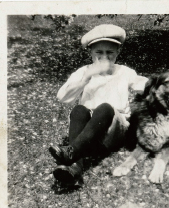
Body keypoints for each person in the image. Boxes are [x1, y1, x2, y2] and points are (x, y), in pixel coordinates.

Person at [49, 24, 148, 185]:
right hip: (89, 135)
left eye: (110, 52)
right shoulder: (84, 72)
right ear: (90, 53)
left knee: (105, 108)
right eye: (98, 53)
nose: (104, 57)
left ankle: (72, 151)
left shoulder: (124, 72)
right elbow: (62, 97)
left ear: (118, 52)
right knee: (79, 109)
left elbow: (145, 85)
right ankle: (74, 167)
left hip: (113, 131)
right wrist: (85, 79)